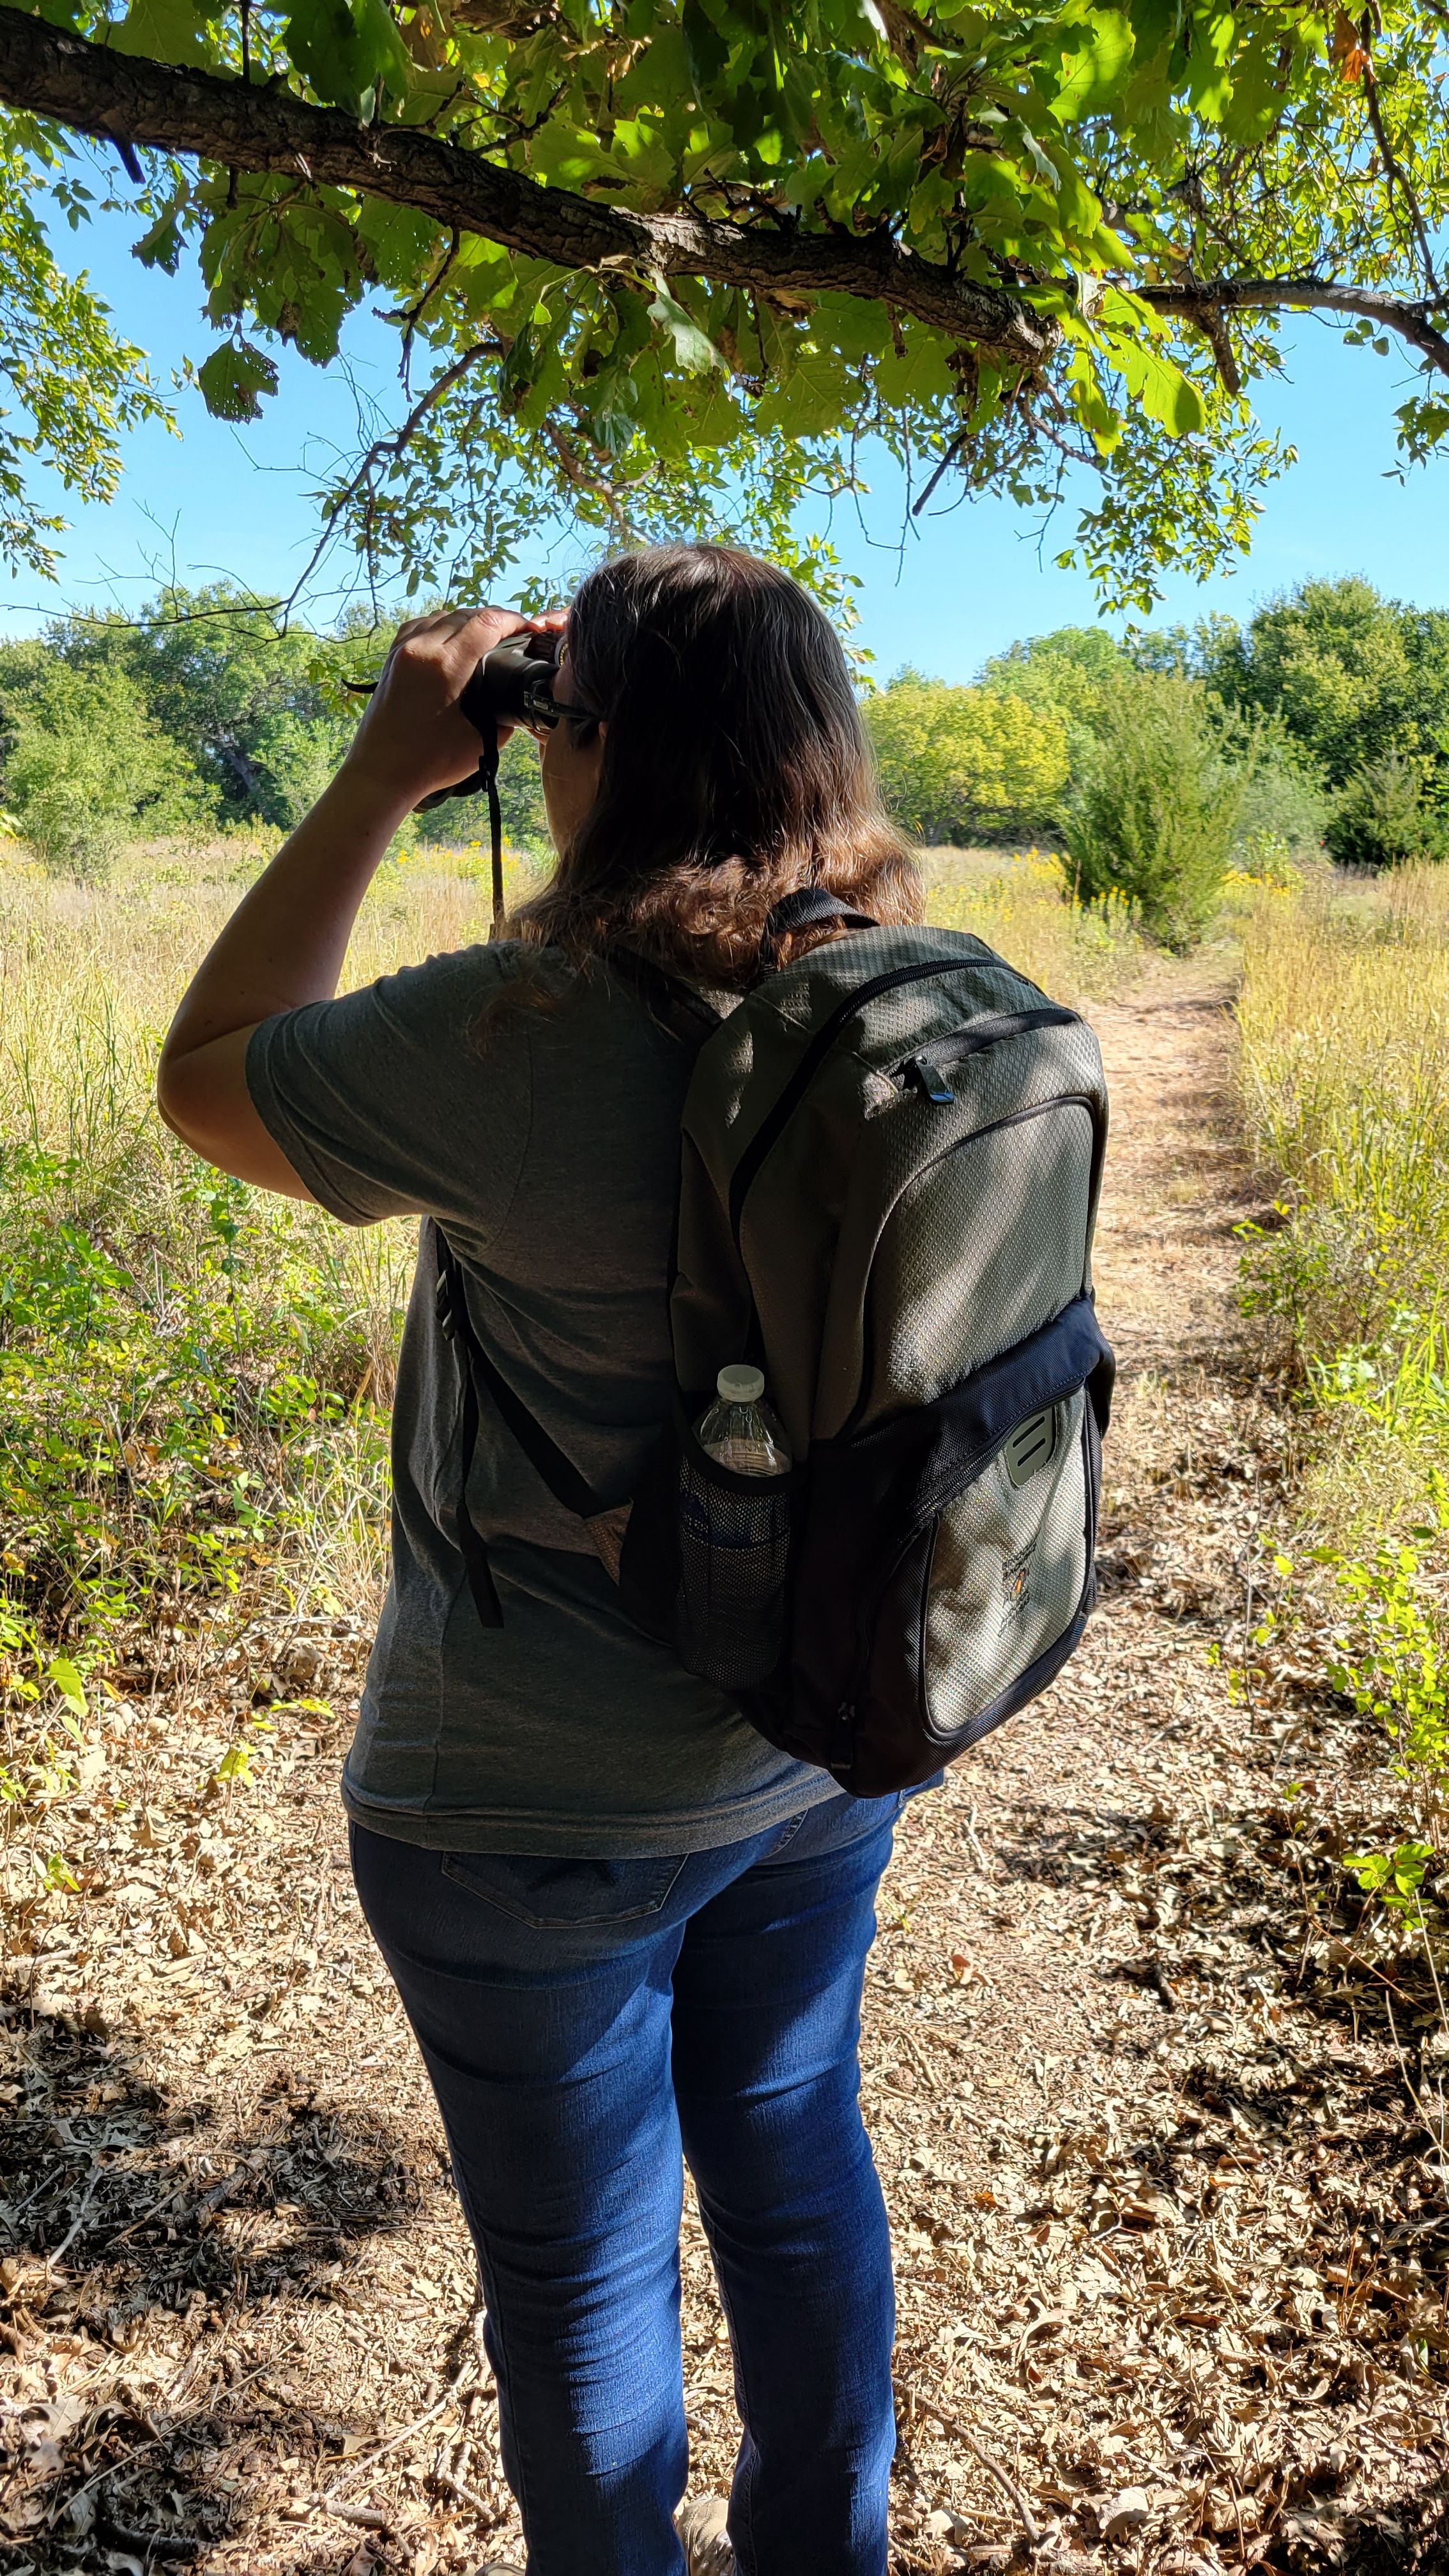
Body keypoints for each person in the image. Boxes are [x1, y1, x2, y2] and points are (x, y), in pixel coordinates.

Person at [158, 544, 932, 2576]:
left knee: (583, 2274)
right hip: (816, 1735)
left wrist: (375, 777)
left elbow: (205, 1075)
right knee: (790, 2160)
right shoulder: (904, 999)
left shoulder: (513, 1033)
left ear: (577, 749)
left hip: (521, 1801)